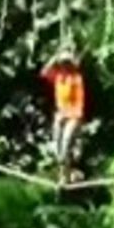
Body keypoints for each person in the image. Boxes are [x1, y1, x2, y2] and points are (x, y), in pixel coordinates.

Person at [40, 48, 85, 181]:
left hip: (74, 116)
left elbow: (79, 102)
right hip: (61, 115)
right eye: (62, 63)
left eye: (67, 63)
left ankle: (65, 176)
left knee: (66, 144)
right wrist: (54, 57)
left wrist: (70, 116)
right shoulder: (58, 77)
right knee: (57, 147)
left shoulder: (76, 78)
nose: (65, 66)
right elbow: (44, 73)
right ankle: (67, 172)